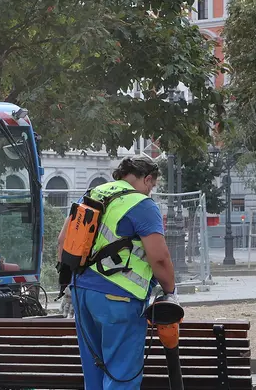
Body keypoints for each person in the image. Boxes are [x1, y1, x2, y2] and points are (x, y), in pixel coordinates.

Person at [57, 156, 176, 390]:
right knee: (121, 375)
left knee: (94, 373)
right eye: (151, 186)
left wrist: (70, 284)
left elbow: (62, 242)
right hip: (118, 298)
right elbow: (160, 258)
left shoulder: (92, 194)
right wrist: (171, 291)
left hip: (81, 294)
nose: (150, 192)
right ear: (147, 179)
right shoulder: (141, 204)